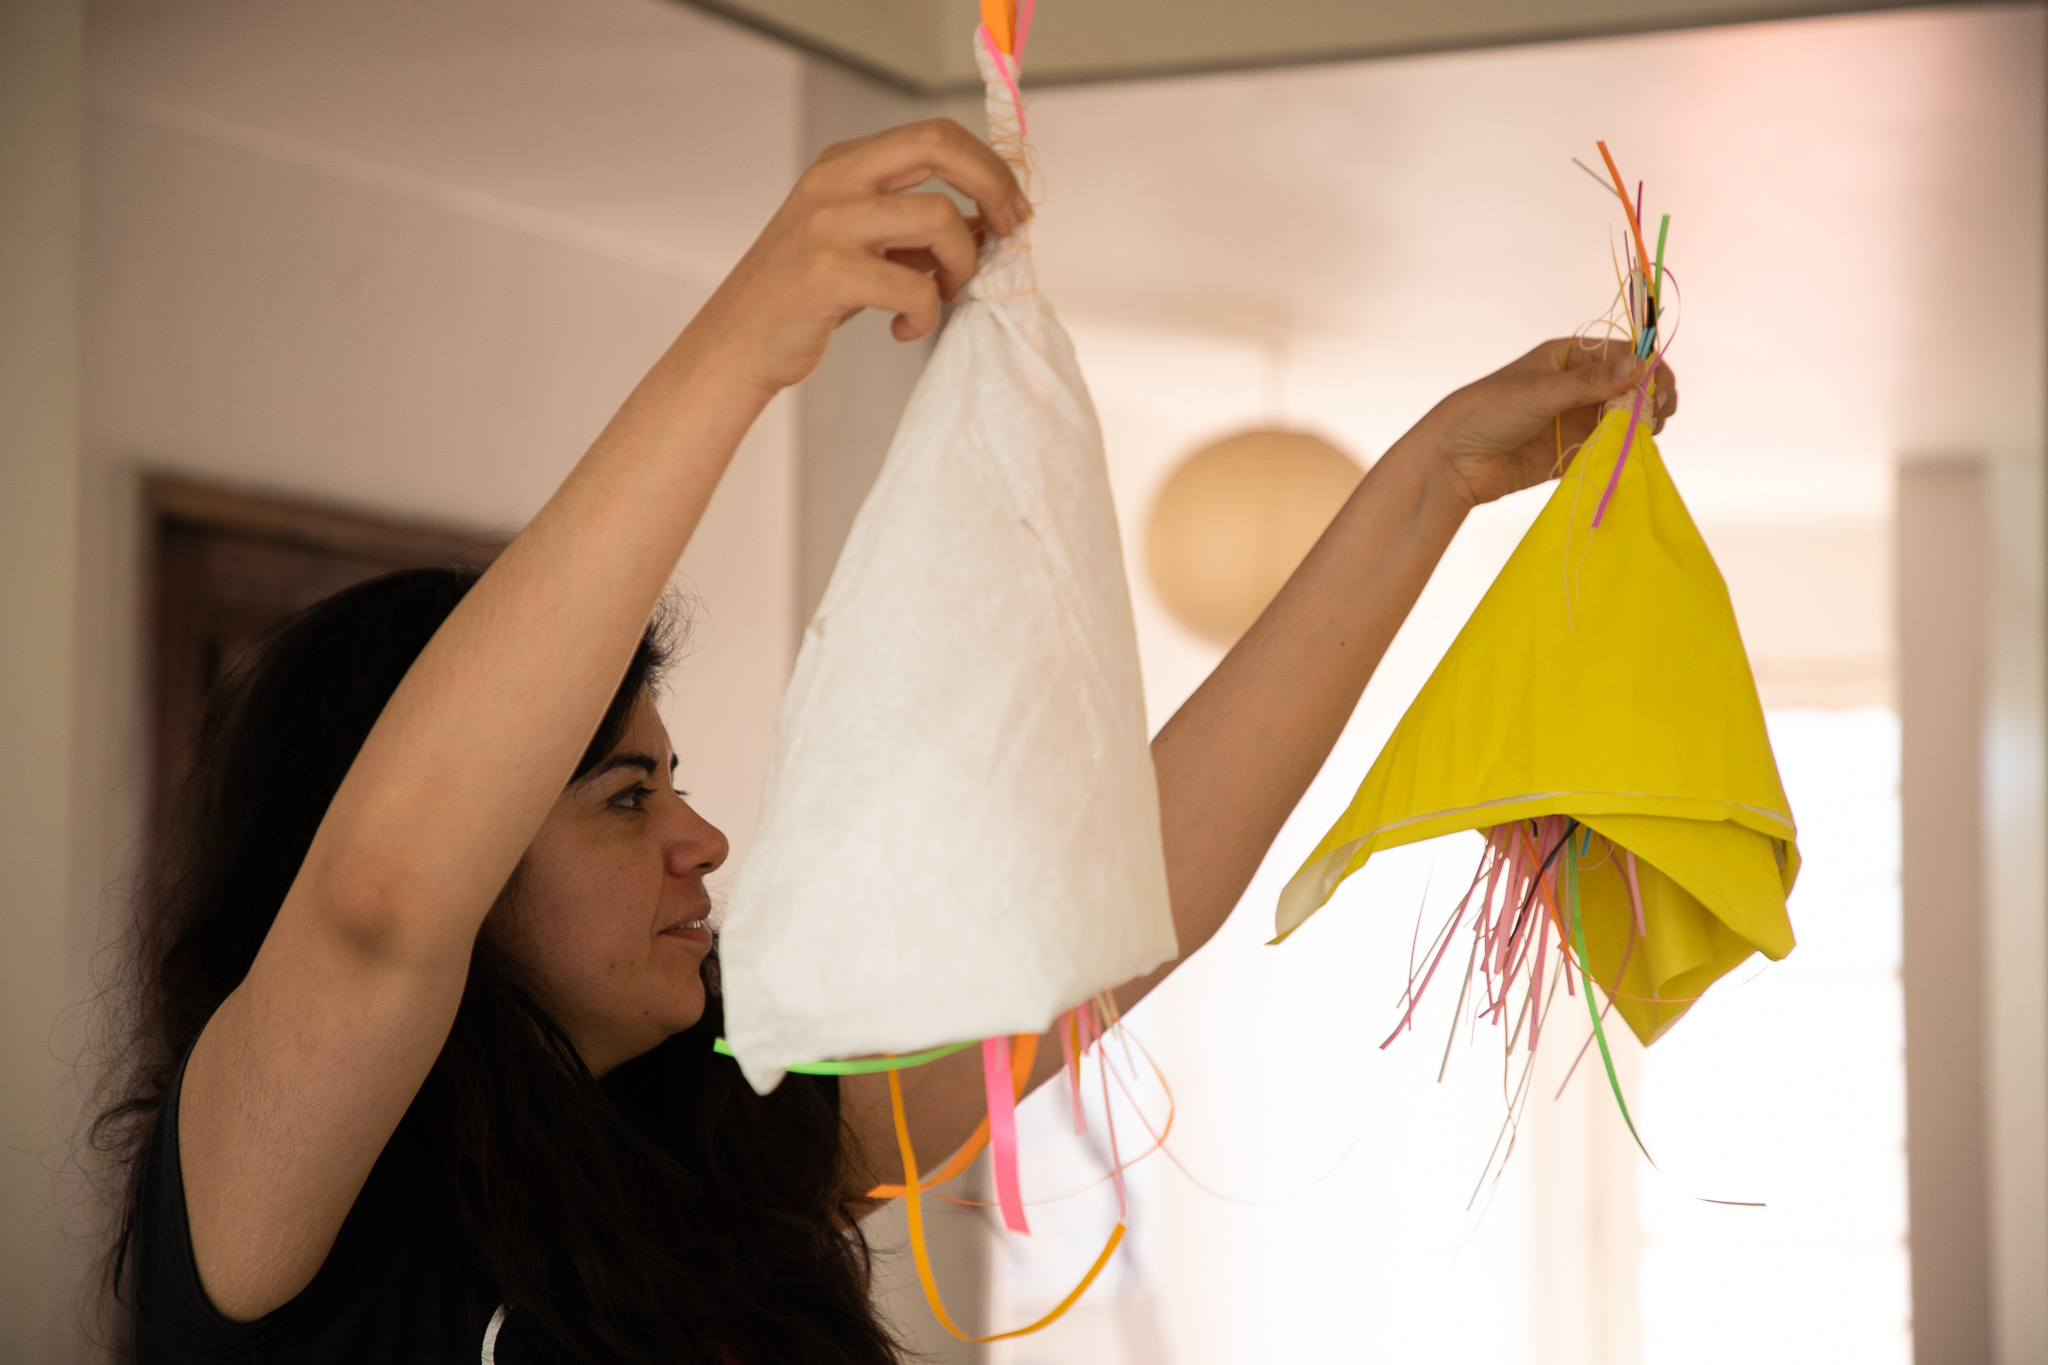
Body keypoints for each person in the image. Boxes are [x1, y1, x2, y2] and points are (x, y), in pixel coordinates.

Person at [97, 119, 1675, 1364]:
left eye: (672, 781)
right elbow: (381, 902)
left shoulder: (726, 1134)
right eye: (625, 797)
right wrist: (748, 335)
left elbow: (1109, 914)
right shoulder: (267, 1195)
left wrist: (1429, 483)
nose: (702, 839)